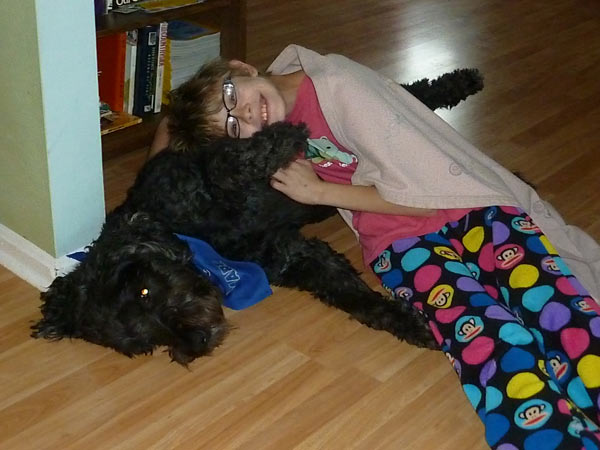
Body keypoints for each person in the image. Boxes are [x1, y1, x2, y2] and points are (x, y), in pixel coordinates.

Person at [152, 45, 600, 449]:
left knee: (552, 305)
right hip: (399, 242)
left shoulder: (341, 88)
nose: (246, 116)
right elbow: (173, 140)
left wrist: (321, 194)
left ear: (241, 67)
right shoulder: (274, 127)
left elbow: (424, 193)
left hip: (468, 206)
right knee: (484, 337)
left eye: (233, 97)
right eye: (232, 127)